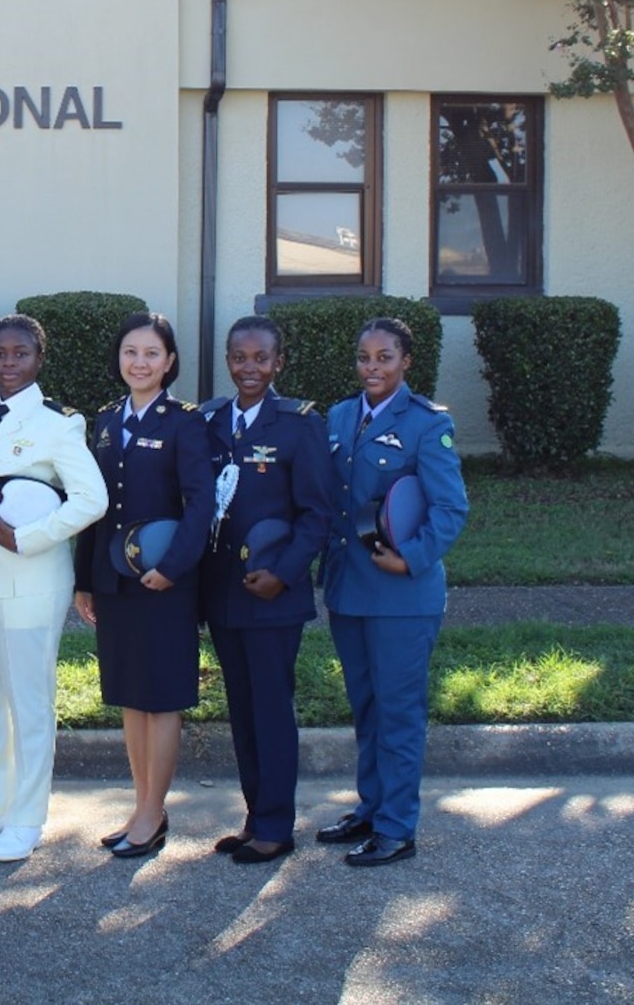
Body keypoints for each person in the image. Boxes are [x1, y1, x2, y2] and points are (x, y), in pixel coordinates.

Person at [0, 314, 106, 862]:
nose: (9, 364)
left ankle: (28, 817)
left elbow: (90, 499)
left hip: (32, 579)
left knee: (30, 702)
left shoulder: (59, 424)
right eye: (0, 354)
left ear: (39, 358)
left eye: (20, 354)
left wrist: (29, 538)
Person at [167, 314, 335, 865]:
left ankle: (277, 824)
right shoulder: (210, 420)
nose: (249, 368)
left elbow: (316, 513)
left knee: (270, 708)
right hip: (223, 592)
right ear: (227, 360)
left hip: (272, 594)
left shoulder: (299, 424)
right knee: (241, 709)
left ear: (278, 363)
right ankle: (254, 814)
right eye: (240, 358)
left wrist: (285, 573)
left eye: (261, 358)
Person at [318, 316, 470, 867]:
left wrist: (413, 557)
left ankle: (397, 828)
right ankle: (371, 806)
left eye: (385, 357)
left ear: (406, 361)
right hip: (348, 590)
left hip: (402, 597)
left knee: (399, 712)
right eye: (364, 357)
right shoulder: (338, 416)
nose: (372, 367)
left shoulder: (428, 424)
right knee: (366, 708)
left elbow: (451, 507)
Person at [71, 311, 210, 859]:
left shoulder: (185, 422)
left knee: (162, 699)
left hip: (165, 583)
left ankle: (154, 813)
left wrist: (173, 566)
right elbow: (92, 507)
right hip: (114, 583)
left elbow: (202, 504)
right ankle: (141, 805)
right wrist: (85, 580)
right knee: (131, 697)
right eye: (131, 352)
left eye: (152, 353)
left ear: (170, 361)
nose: (140, 362)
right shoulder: (105, 422)